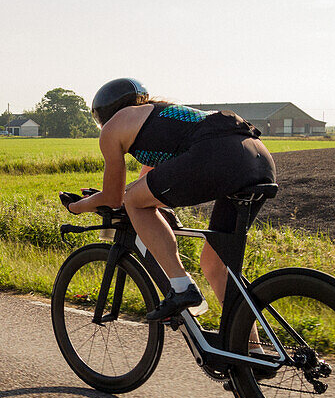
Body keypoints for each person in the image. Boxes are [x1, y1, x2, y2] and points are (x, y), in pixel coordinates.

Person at [62, 78, 276, 322]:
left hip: (219, 155)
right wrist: (122, 200)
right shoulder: (159, 119)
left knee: (134, 201)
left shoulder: (113, 128)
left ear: (103, 114)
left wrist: (76, 207)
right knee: (214, 265)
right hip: (256, 157)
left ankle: (182, 288)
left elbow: (115, 198)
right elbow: (145, 188)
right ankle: (248, 350)